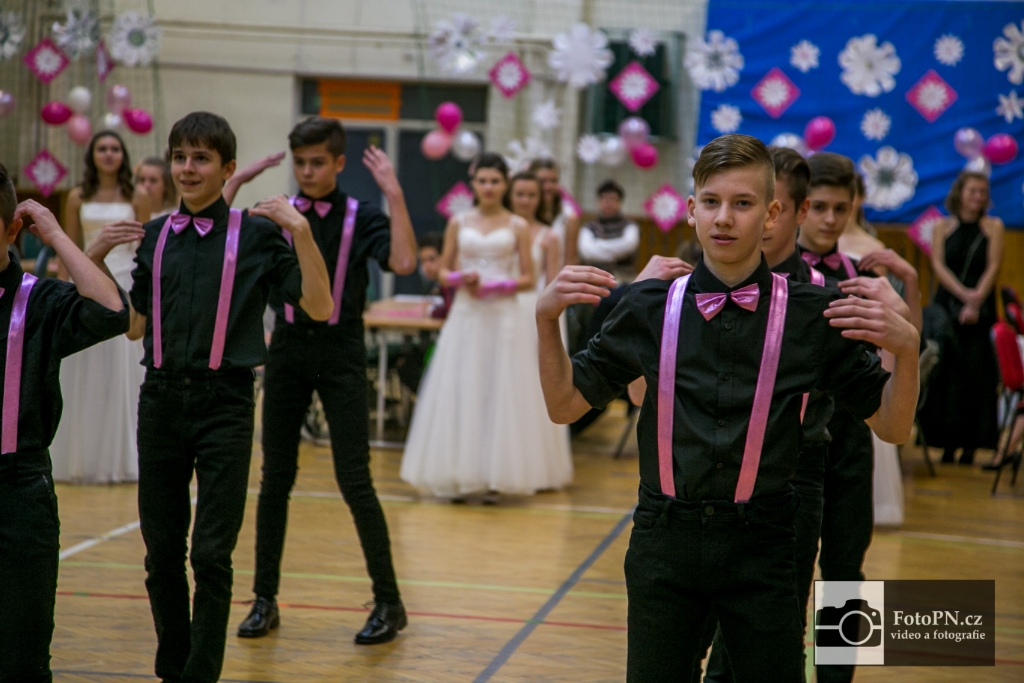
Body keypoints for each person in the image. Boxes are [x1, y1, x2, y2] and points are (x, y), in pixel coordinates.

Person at [536, 134, 919, 682]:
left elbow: (895, 426)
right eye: (712, 202)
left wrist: (906, 353)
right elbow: (563, 406)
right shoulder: (648, 305)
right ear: (692, 210)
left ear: (772, 214)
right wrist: (545, 321)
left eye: (742, 203)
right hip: (663, 540)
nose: (724, 218)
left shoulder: (814, 314)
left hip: (764, 541)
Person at [87, 111, 334, 683]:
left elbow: (319, 306)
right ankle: (173, 668)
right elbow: (134, 327)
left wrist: (301, 232)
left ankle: (200, 675)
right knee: (161, 554)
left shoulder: (257, 234)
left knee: (210, 555)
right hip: (159, 401)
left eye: (201, 158)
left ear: (228, 169)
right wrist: (93, 258)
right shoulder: (154, 237)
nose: (187, 168)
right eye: (180, 157)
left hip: (226, 404)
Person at [238, 116, 417, 644]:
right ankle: (264, 599)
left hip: (341, 351)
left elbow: (404, 259)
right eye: (300, 163)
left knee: (355, 479)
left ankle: (389, 602)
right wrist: (239, 180)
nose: (307, 171)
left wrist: (394, 193)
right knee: (275, 478)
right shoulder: (278, 214)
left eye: (318, 162)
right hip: (288, 348)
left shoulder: (361, 215)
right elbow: (226, 250)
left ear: (339, 163)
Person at [0, 168, 130, 683]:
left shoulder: (40, 300)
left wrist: (56, 234)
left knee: (23, 656)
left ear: (12, 229)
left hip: (20, 494)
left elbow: (113, 311)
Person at [797, 152, 920, 683]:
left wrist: (908, 284)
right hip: (793, 442)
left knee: (846, 571)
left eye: (840, 208)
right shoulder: (778, 271)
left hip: (849, 437)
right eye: (820, 207)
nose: (830, 219)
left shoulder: (860, 274)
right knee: (785, 575)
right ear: (799, 206)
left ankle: (836, 678)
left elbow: (899, 355)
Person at [403, 153, 576, 499]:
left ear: (504, 185)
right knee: (462, 387)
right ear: (473, 184)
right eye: (482, 180)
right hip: (467, 313)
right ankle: (458, 473)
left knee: (499, 392)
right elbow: (442, 270)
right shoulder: (458, 222)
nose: (489, 187)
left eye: (495, 181)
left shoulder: (517, 226)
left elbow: (528, 277)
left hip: (503, 315)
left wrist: (499, 285)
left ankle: (495, 474)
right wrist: (458, 278)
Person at [50, 129, 149, 484]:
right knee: (87, 368)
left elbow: (146, 249)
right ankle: (85, 457)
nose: (108, 154)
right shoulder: (77, 196)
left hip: (127, 281)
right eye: (102, 148)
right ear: (92, 154)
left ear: (123, 155)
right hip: (89, 282)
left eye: (115, 148)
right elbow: (69, 246)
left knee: (123, 369)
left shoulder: (138, 195)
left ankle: (122, 458)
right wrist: (63, 292)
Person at [920, 171, 1003, 464]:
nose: (977, 197)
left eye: (982, 192)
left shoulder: (994, 226)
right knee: (948, 375)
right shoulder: (942, 226)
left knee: (977, 377)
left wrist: (975, 299)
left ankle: (971, 445)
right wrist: (964, 296)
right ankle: (946, 443)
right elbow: (938, 266)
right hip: (949, 307)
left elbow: (993, 266)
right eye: (972, 191)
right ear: (960, 193)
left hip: (981, 307)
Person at [508, 169, 573, 484]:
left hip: (531, 312)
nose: (525, 200)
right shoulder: (502, 230)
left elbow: (550, 283)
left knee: (532, 387)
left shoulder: (549, 235)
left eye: (531, 195)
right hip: (501, 311)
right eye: (519, 194)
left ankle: (533, 464)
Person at [136, 151, 284, 219]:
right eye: (141, 180)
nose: (146, 185)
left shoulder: (180, 204)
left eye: (153, 180)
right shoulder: (133, 207)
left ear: (166, 184)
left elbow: (211, 214)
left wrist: (237, 180)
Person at [577, 179, 640, 283]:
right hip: (593, 280)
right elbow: (587, 252)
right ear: (598, 201)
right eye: (605, 198)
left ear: (620, 202)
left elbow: (628, 246)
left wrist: (597, 245)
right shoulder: (588, 227)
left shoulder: (630, 226)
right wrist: (615, 253)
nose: (608, 203)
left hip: (623, 280)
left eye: (612, 199)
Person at [530, 158, 580, 266]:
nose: (548, 187)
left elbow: (570, 261)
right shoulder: (525, 213)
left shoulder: (569, 216)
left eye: (553, 181)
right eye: (543, 181)